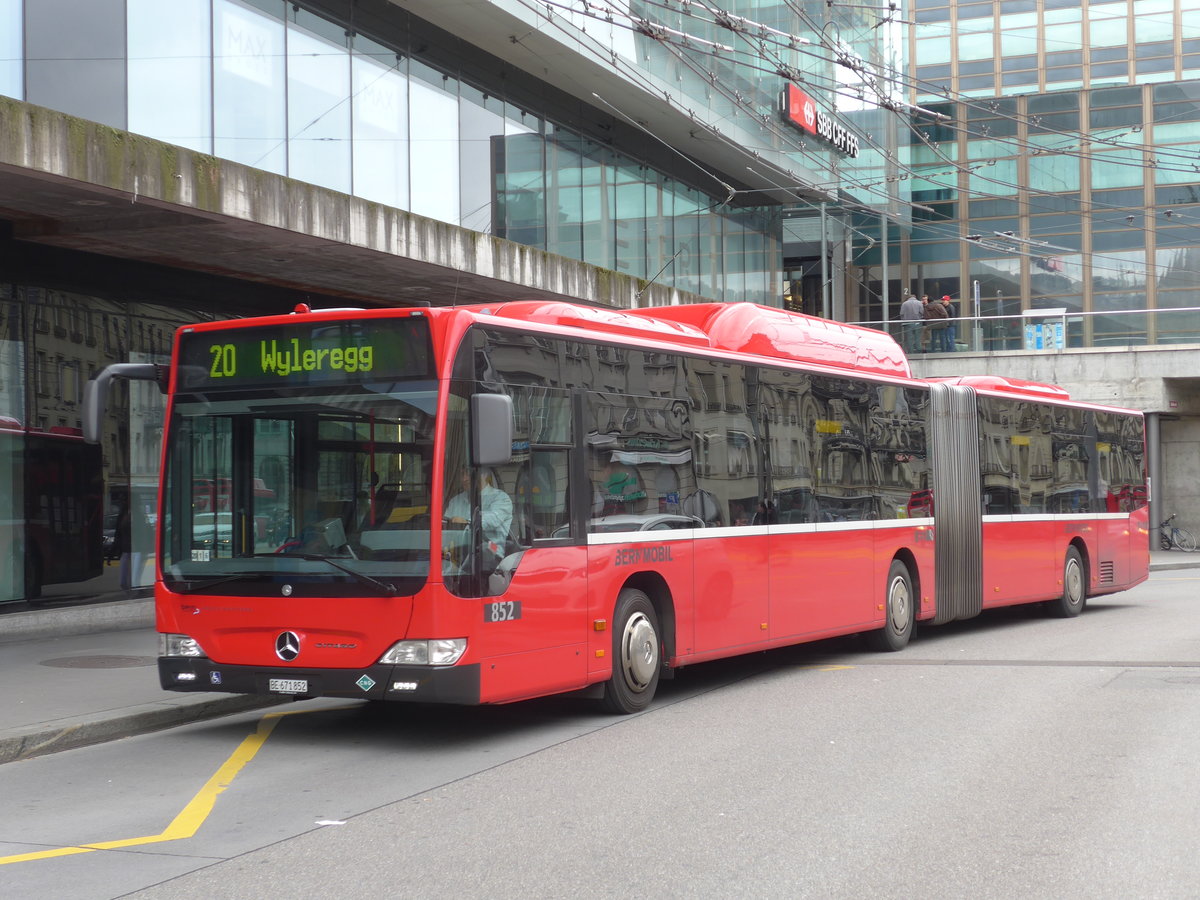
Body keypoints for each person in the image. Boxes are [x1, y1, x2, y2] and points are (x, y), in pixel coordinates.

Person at [446, 469, 513, 570]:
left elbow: (492, 520)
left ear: (484, 475)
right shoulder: (456, 501)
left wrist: (467, 521)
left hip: (492, 552)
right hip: (457, 554)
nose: (464, 479)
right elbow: (445, 526)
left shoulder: (500, 498)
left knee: (484, 549)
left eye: (468, 474)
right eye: (462, 474)